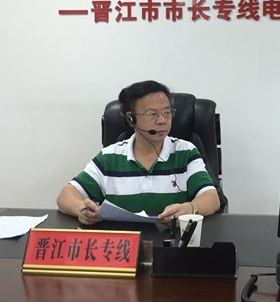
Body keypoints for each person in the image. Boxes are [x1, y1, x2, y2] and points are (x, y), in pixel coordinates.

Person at [57, 80, 221, 226]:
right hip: (122, 245)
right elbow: (65, 195)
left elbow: (212, 198)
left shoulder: (186, 152)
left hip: (172, 243)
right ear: (131, 119)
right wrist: (81, 209)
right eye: (152, 114)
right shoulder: (109, 157)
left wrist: (189, 208)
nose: (162, 120)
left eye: (167, 112)